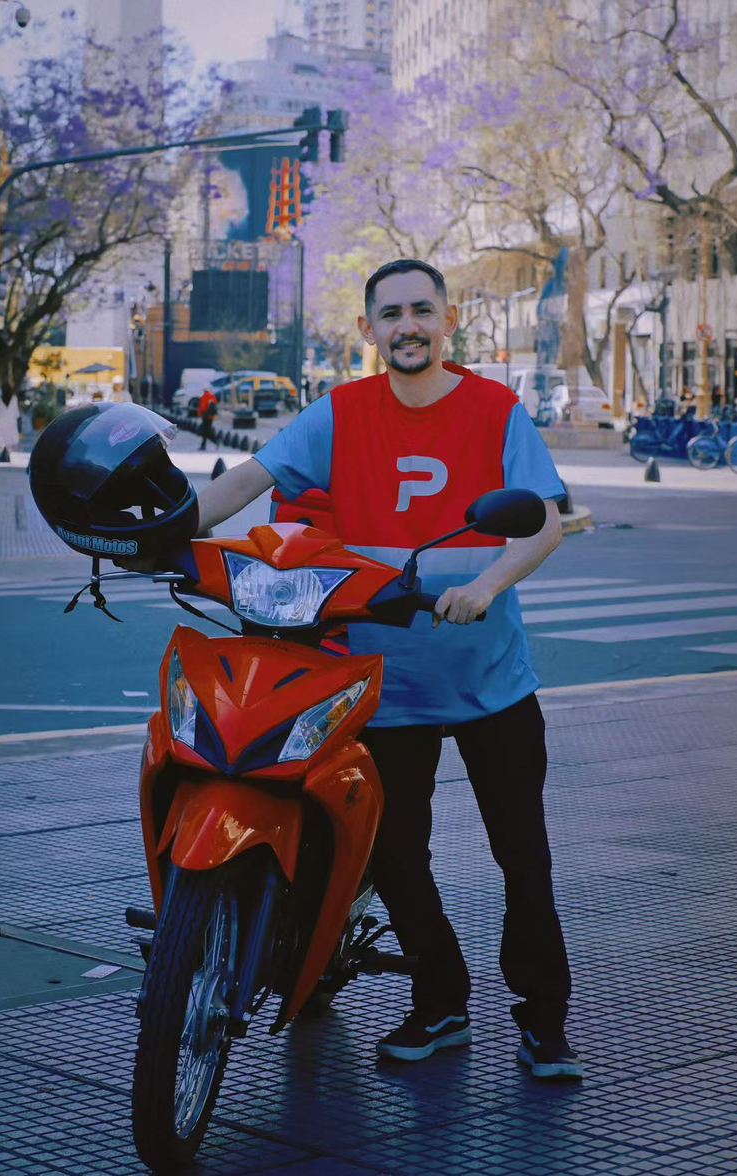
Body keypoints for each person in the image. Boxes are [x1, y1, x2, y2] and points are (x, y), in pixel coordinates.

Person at [187, 259, 580, 1078]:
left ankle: (544, 1020)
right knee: (396, 857)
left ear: (449, 320)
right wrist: (160, 531)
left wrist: (485, 586)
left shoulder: (496, 410)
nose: (408, 326)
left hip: (490, 682)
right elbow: (248, 481)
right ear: (368, 329)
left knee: (524, 857)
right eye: (392, 314)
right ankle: (440, 1001)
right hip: (381, 686)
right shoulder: (338, 413)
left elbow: (543, 521)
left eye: (422, 311)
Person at [197, 386, 219, 450]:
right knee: (206, 430)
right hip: (211, 416)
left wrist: (200, 414)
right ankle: (204, 445)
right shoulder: (213, 396)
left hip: (205, 416)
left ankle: (215, 441)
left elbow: (202, 408)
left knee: (206, 431)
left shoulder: (204, 397)